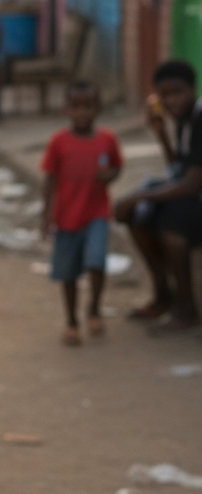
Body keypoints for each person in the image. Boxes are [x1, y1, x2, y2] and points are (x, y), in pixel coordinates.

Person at [114, 59, 202, 331]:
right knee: (140, 217)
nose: (171, 100)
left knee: (170, 224)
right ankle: (163, 296)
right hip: (195, 197)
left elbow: (191, 184)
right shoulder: (184, 120)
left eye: (178, 92)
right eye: (165, 95)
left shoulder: (200, 119)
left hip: (196, 197)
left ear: (192, 89)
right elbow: (180, 170)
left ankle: (187, 310)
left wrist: (138, 196)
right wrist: (162, 134)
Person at [41, 81, 122, 345]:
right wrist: (46, 216)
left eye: (88, 106)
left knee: (96, 262)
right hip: (66, 218)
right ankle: (71, 321)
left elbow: (117, 166)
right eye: (76, 106)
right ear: (66, 109)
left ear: (98, 108)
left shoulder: (107, 139)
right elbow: (50, 180)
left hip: (97, 214)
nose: (82, 112)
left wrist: (109, 176)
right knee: (68, 274)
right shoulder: (58, 142)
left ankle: (94, 309)